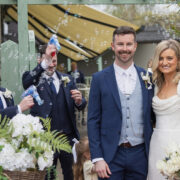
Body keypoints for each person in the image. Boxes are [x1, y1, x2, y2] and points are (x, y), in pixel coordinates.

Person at [87, 26, 154, 180]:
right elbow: (92, 120)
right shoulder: (99, 79)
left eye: (129, 44)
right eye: (120, 44)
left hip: (140, 155)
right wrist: (97, 158)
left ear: (135, 46)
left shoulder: (147, 78)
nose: (125, 49)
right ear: (113, 46)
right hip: (110, 157)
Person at [22, 44, 87, 180]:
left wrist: (80, 101)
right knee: (48, 176)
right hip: (46, 140)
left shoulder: (67, 79)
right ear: (40, 60)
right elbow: (26, 82)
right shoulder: (33, 79)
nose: (52, 65)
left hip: (68, 138)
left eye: (54, 61)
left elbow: (80, 105)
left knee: (72, 175)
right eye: (48, 61)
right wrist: (43, 65)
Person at [148, 39, 180, 180]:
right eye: (160, 58)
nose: (164, 62)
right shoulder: (155, 85)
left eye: (169, 58)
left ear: (178, 61)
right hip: (156, 144)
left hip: (177, 144)